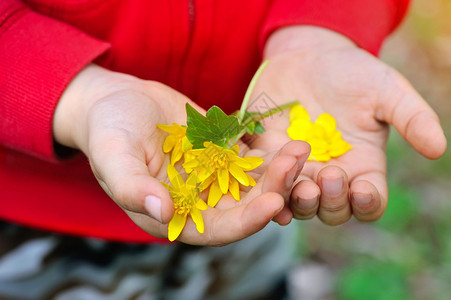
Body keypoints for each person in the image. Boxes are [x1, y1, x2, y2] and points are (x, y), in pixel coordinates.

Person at [0, 0, 446, 298]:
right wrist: (77, 96)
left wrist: (321, 30)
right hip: (29, 222)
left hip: (255, 182)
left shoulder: (256, 164)